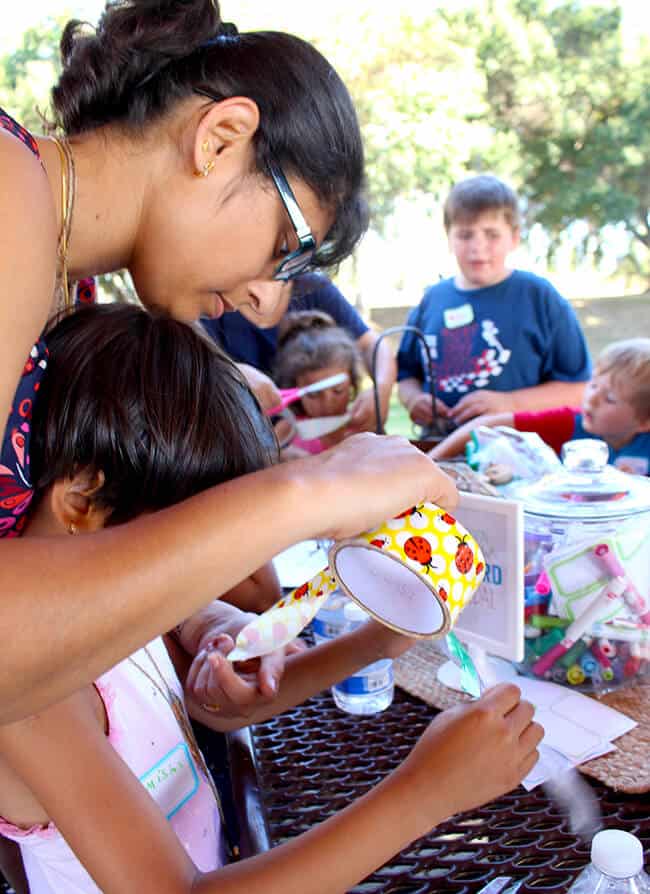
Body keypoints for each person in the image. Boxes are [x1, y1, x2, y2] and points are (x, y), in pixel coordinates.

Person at [0, 0, 457, 726]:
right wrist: (308, 490)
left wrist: (201, 618)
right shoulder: (6, 191)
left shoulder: (61, 282)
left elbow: (44, 576)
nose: (264, 300)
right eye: (286, 246)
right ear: (220, 138)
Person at [0, 303, 543, 894]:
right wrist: (427, 792)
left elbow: (213, 708)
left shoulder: (107, 601)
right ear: (83, 500)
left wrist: (377, 642)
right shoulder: (33, 698)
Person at [397, 174, 591, 434]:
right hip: (439, 451)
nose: (478, 247)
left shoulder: (539, 297)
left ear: (514, 237)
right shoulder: (431, 300)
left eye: (492, 235)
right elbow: (407, 376)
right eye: (465, 235)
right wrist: (413, 400)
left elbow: (579, 390)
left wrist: (509, 404)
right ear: (449, 236)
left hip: (521, 456)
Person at [202, 272, 397, 432]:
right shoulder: (206, 304)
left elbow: (372, 345)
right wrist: (232, 374)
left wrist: (381, 390)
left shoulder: (313, 287)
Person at [430, 338, 650, 474]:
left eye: (609, 398)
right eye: (593, 386)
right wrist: (431, 462)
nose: (591, 400)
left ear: (644, 422)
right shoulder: (571, 423)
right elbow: (486, 426)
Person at [272, 309, 362, 455]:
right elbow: (262, 461)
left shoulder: (362, 426)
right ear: (295, 388)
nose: (327, 403)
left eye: (338, 390)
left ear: (352, 383)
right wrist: (280, 458)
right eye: (313, 394)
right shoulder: (289, 429)